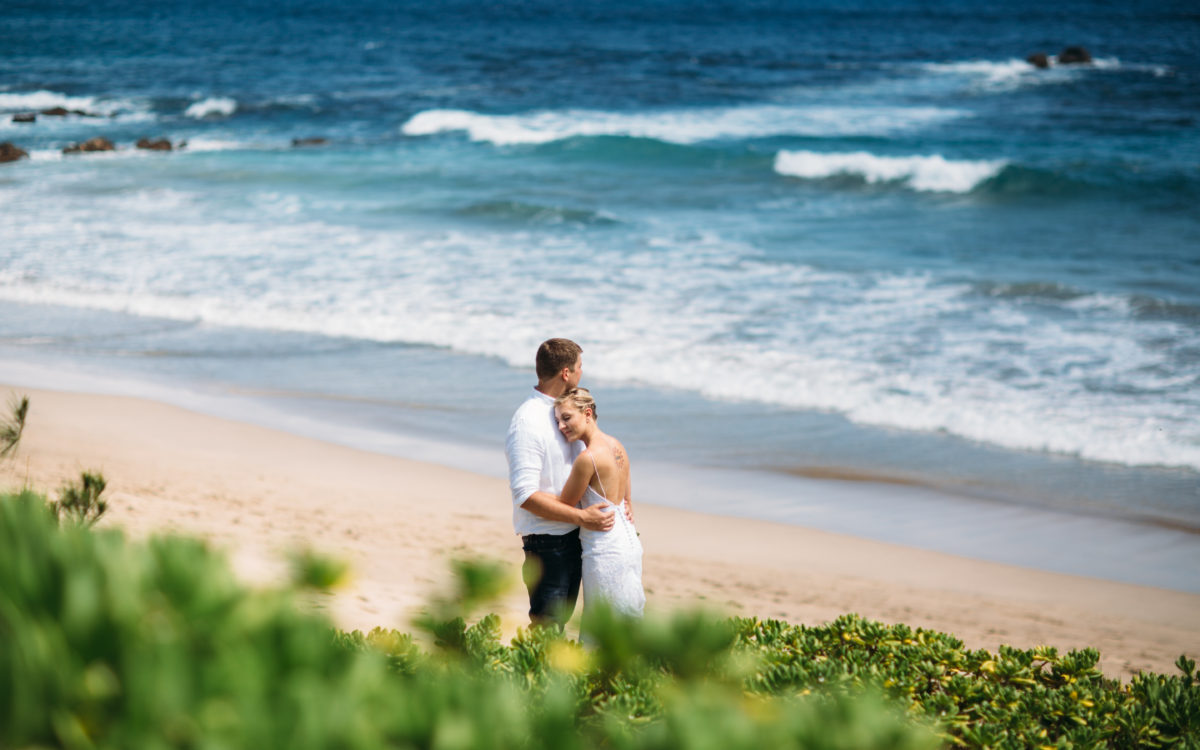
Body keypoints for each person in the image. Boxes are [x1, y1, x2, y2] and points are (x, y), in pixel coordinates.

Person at [506, 338, 615, 628]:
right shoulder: (528, 421)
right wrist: (583, 516)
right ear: (566, 372)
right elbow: (525, 494)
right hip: (547, 543)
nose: (582, 373)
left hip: (573, 536)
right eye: (580, 367)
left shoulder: (565, 411)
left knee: (560, 624)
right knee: (547, 628)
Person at [553, 387, 645, 618]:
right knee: (627, 615)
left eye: (566, 418)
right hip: (628, 541)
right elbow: (626, 483)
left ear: (587, 413)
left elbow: (565, 504)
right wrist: (628, 503)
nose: (561, 426)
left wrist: (531, 496)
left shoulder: (588, 458)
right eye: (558, 421)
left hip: (605, 549)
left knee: (602, 622)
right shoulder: (616, 444)